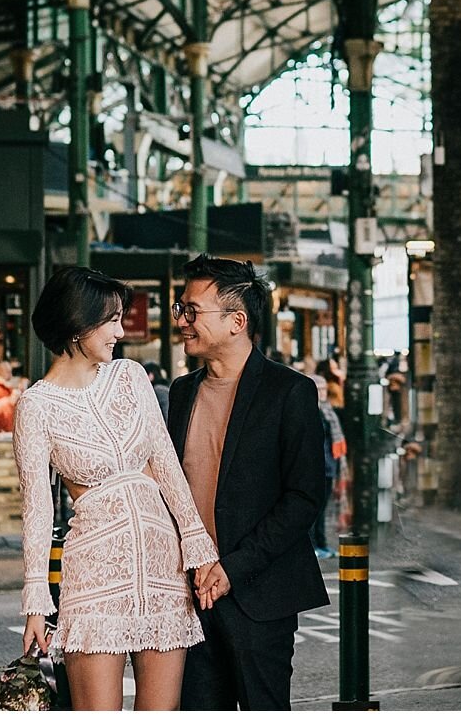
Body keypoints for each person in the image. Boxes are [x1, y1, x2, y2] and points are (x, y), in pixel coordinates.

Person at [13, 267, 221, 711]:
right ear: (77, 324)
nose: (119, 331)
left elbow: (165, 463)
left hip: (162, 568)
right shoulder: (35, 406)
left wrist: (198, 547)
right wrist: (36, 603)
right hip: (94, 575)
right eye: (110, 320)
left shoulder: (129, 376)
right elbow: (36, 509)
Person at [167, 255, 329, 710]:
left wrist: (233, 569)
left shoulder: (289, 391)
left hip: (259, 594)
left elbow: (303, 498)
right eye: (182, 309)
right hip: (190, 595)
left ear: (237, 320)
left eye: (192, 310)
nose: (182, 320)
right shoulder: (182, 393)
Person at [308, 374, 345, 559]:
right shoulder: (310, 411)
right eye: (318, 389)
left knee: (322, 509)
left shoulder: (328, 410)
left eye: (324, 389)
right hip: (317, 468)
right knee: (314, 510)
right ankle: (313, 545)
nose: (322, 393)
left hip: (329, 466)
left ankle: (322, 544)